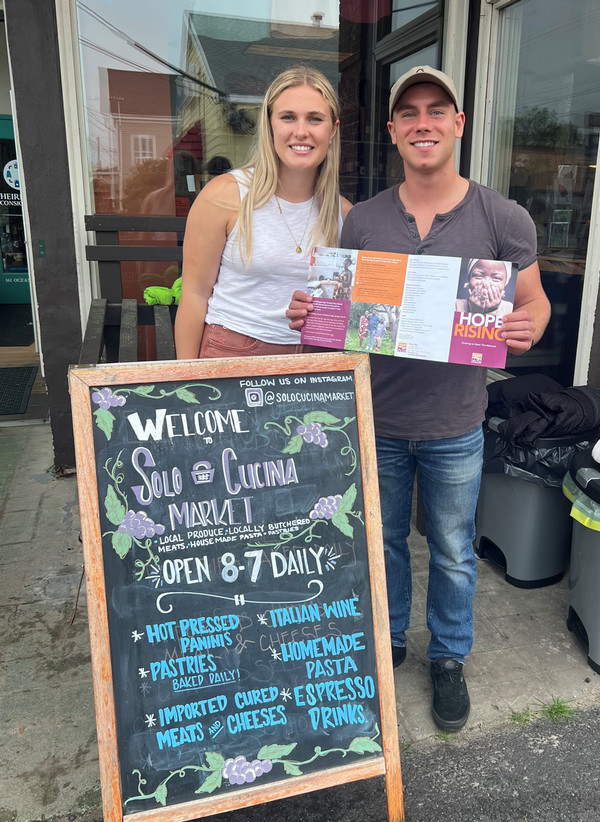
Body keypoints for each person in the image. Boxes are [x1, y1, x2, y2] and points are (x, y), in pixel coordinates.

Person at [287, 66, 551, 733]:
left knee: (455, 546)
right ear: (393, 132)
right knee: (383, 541)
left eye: (438, 111)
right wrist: (311, 313)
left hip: (457, 421)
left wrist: (532, 324)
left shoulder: (503, 216)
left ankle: (449, 655)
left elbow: (533, 299)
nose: (424, 122)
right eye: (410, 113)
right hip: (378, 417)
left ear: (459, 124)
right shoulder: (366, 219)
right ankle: (390, 640)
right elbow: (340, 314)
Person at [175, 66, 352, 360]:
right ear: (269, 125)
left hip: (315, 361)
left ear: (332, 130)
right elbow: (194, 295)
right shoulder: (224, 196)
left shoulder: (344, 214)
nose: (301, 131)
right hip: (232, 352)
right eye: (287, 117)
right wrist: (185, 377)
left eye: (315, 119)